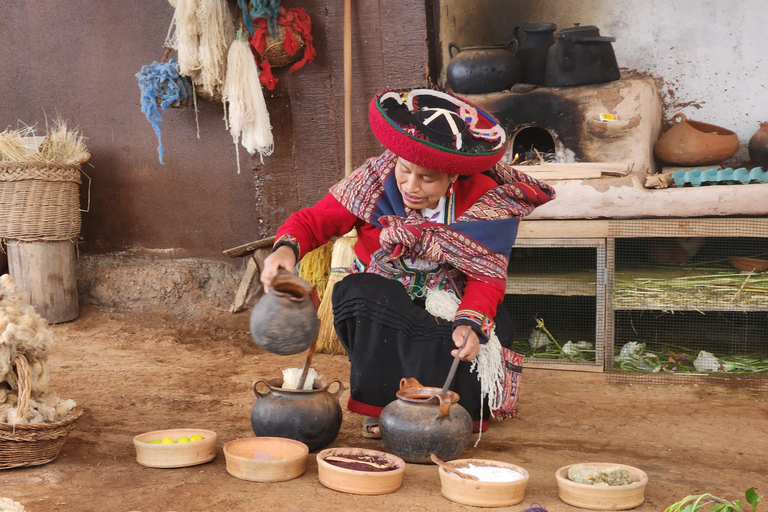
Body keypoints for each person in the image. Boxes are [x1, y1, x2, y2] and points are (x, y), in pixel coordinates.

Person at [260, 88, 555, 438]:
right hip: (386, 301)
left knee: (487, 331)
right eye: (404, 170)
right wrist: (285, 251)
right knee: (357, 292)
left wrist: (469, 324)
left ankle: (449, 413)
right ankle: (384, 409)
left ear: (452, 177)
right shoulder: (374, 180)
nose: (410, 186)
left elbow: (487, 278)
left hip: (451, 300)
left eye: (427, 178)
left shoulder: (485, 202)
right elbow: (313, 222)